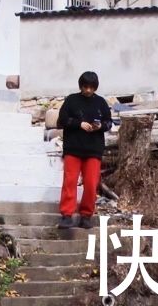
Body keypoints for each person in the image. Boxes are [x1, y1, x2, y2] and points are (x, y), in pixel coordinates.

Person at [55, 70, 112, 229]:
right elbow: (62, 120)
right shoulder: (72, 100)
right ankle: (67, 215)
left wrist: (100, 126)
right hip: (73, 148)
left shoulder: (101, 103)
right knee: (70, 181)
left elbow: (109, 122)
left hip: (93, 149)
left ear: (95, 87)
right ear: (81, 86)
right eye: (85, 87)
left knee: (91, 183)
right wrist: (78, 124)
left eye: (91, 87)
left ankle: (86, 215)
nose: (88, 90)